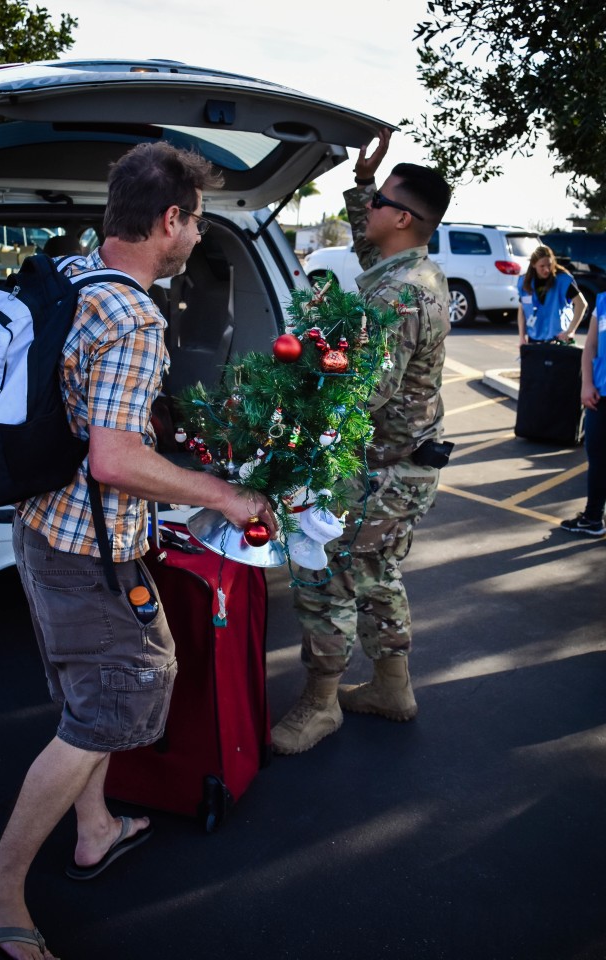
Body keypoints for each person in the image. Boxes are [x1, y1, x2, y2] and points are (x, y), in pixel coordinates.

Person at [0, 141, 276, 960]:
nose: (199, 236)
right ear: (170, 220)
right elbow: (113, 459)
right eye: (198, 221)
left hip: (41, 526)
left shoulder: (71, 275)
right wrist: (225, 494)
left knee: (87, 695)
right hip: (87, 549)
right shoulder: (135, 317)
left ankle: (96, 827)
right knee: (120, 697)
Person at [271, 128, 452, 755]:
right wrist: (363, 184)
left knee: (329, 575)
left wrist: (289, 426)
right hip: (401, 465)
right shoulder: (405, 269)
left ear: (402, 219)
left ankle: (320, 703)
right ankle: (392, 689)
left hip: (380, 470)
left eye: (379, 206)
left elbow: (360, 397)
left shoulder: (403, 294)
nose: (368, 214)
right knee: (377, 571)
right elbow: (369, 245)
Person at [560, 295, 606, 536]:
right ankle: (593, 518)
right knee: (598, 459)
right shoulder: (604, 301)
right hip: (600, 395)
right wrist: (586, 384)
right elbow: (590, 346)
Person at [517, 245, 587, 346]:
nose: (546, 270)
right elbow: (522, 310)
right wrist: (522, 336)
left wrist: (571, 330)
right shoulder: (525, 283)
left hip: (559, 337)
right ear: (533, 264)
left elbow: (581, 304)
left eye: (549, 265)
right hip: (535, 335)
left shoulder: (562, 280)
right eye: (542, 266)